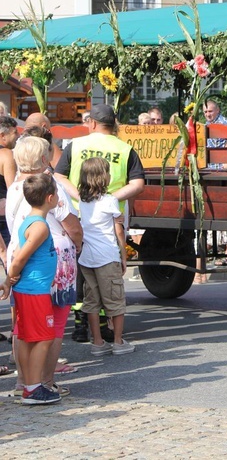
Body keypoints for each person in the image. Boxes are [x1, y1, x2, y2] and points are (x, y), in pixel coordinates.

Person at [54, 103, 145, 341]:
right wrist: (109, 199)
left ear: (92, 123)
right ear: (113, 124)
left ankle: (81, 324)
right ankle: (107, 327)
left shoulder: (76, 145)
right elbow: (138, 183)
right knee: (107, 275)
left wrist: (79, 196)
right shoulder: (126, 149)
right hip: (110, 220)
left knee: (82, 274)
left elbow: (58, 175)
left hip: (78, 216)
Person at [6, 136, 82, 397]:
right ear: (43, 159)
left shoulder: (14, 188)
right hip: (51, 262)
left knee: (23, 327)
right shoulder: (49, 187)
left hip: (19, 259)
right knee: (52, 326)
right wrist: (79, 244)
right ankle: (43, 382)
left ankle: (23, 383)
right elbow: (72, 225)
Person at [2, 173, 61, 405]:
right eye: (56, 193)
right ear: (49, 198)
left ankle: (28, 385)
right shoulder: (40, 227)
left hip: (30, 289)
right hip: (35, 291)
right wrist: (9, 279)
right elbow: (18, 259)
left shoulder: (30, 220)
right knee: (44, 338)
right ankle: (34, 388)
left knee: (27, 338)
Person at [77, 157, 134, 355]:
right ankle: (118, 341)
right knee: (115, 300)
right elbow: (118, 230)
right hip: (107, 256)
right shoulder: (110, 200)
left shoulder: (82, 201)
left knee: (91, 301)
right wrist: (123, 255)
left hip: (87, 257)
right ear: (104, 177)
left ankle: (97, 342)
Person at [0, 115, 20, 246]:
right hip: (3, 220)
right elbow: (13, 190)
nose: (18, 136)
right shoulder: (6, 154)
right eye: (15, 132)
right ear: (3, 135)